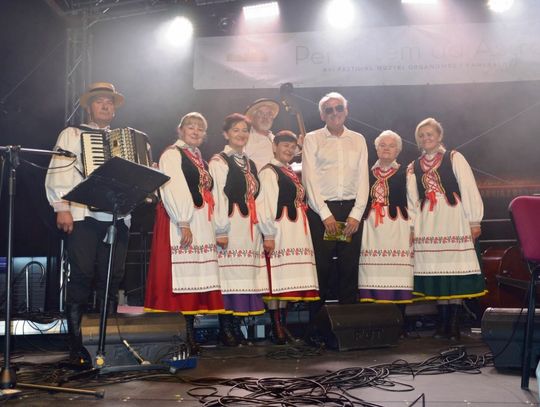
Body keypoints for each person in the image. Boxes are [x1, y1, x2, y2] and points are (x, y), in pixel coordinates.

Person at [45, 82, 130, 366]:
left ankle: (104, 342)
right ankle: (76, 343)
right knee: (81, 274)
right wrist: (61, 207)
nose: (105, 106)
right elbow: (59, 168)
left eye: (109, 102)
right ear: (89, 106)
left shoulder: (125, 139)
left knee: (112, 277)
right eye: (99, 102)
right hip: (83, 214)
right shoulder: (72, 134)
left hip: (117, 217)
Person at [144, 112, 225, 353]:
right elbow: (172, 187)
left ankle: (190, 333)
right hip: (180, 220)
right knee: (181, 275)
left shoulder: (199, 158)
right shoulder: (172, 154)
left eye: (200, 128)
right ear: (180, 130)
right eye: (191, 126)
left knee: (195, 276)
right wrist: (183, 221)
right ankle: (182, 335)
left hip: (200, 220)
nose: (196, 131)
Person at [408, 117, 486, 340]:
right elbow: (412, 199)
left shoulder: (454, 157)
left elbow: (468, 188)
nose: (426, 138)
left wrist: (474, 221)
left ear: (439, 136)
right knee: (440, 271)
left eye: (430, 134)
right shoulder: (413, 166)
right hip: (430, 222)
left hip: (454, 218)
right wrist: (413, 227)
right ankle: (442, 324)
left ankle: (454, 325)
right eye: (421, 135)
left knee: (455, 270)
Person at [302, 92, 369, 319]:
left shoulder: (358, 139)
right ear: (322, 115)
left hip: (349, 211)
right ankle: (316, 325)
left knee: (349, 269)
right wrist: (325, 214)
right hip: (323, 212)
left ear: (346, 111)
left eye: (338, 108)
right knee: (321, 269)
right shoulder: (312, 139)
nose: (334, 113)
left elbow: (363, 179)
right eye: (329, 110)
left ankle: (348, 323)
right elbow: (309, 179)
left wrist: (356, 214)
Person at [209, 113, 268, 346]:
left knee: (242, 276)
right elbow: (218, 198)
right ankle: (226, 328)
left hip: (248, 226)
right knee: (228, 276)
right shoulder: (219, 161)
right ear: (226, 133)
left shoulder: (250, 163)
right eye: (236, 130)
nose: (241, 134)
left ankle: (236, 327)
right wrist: (221, 229)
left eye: (245, 130)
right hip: (231, 223)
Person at [257, 130, 319, 344]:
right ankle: (276, 327)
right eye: (284, 145)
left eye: (292, 147)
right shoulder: (269, 172)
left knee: (286, 281)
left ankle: (282, 324)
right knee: (277, 278)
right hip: (280, 228)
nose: (289, 150)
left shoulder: (290, 171)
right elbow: (265, 205)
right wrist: (269, 234)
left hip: (294, 229)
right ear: (274, 147)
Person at [357, 130, 414, 333]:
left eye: (391, 146)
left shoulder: (406, 173)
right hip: (372, 228)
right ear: (376, 148)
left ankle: (399, 323)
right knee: (373, 271)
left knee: (397, 270)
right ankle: (375, 322)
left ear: (398, 150)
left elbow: (414, 201)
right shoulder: (366, 172)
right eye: (382, 145)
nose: (386, 149)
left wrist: (413, 227)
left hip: (397, 225)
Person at [244, 98, 280, 172]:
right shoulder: (245, 140)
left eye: (269, 114)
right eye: (260, 113)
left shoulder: (274, 138)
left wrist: (299, 145)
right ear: (252, 117)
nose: (265, 117)